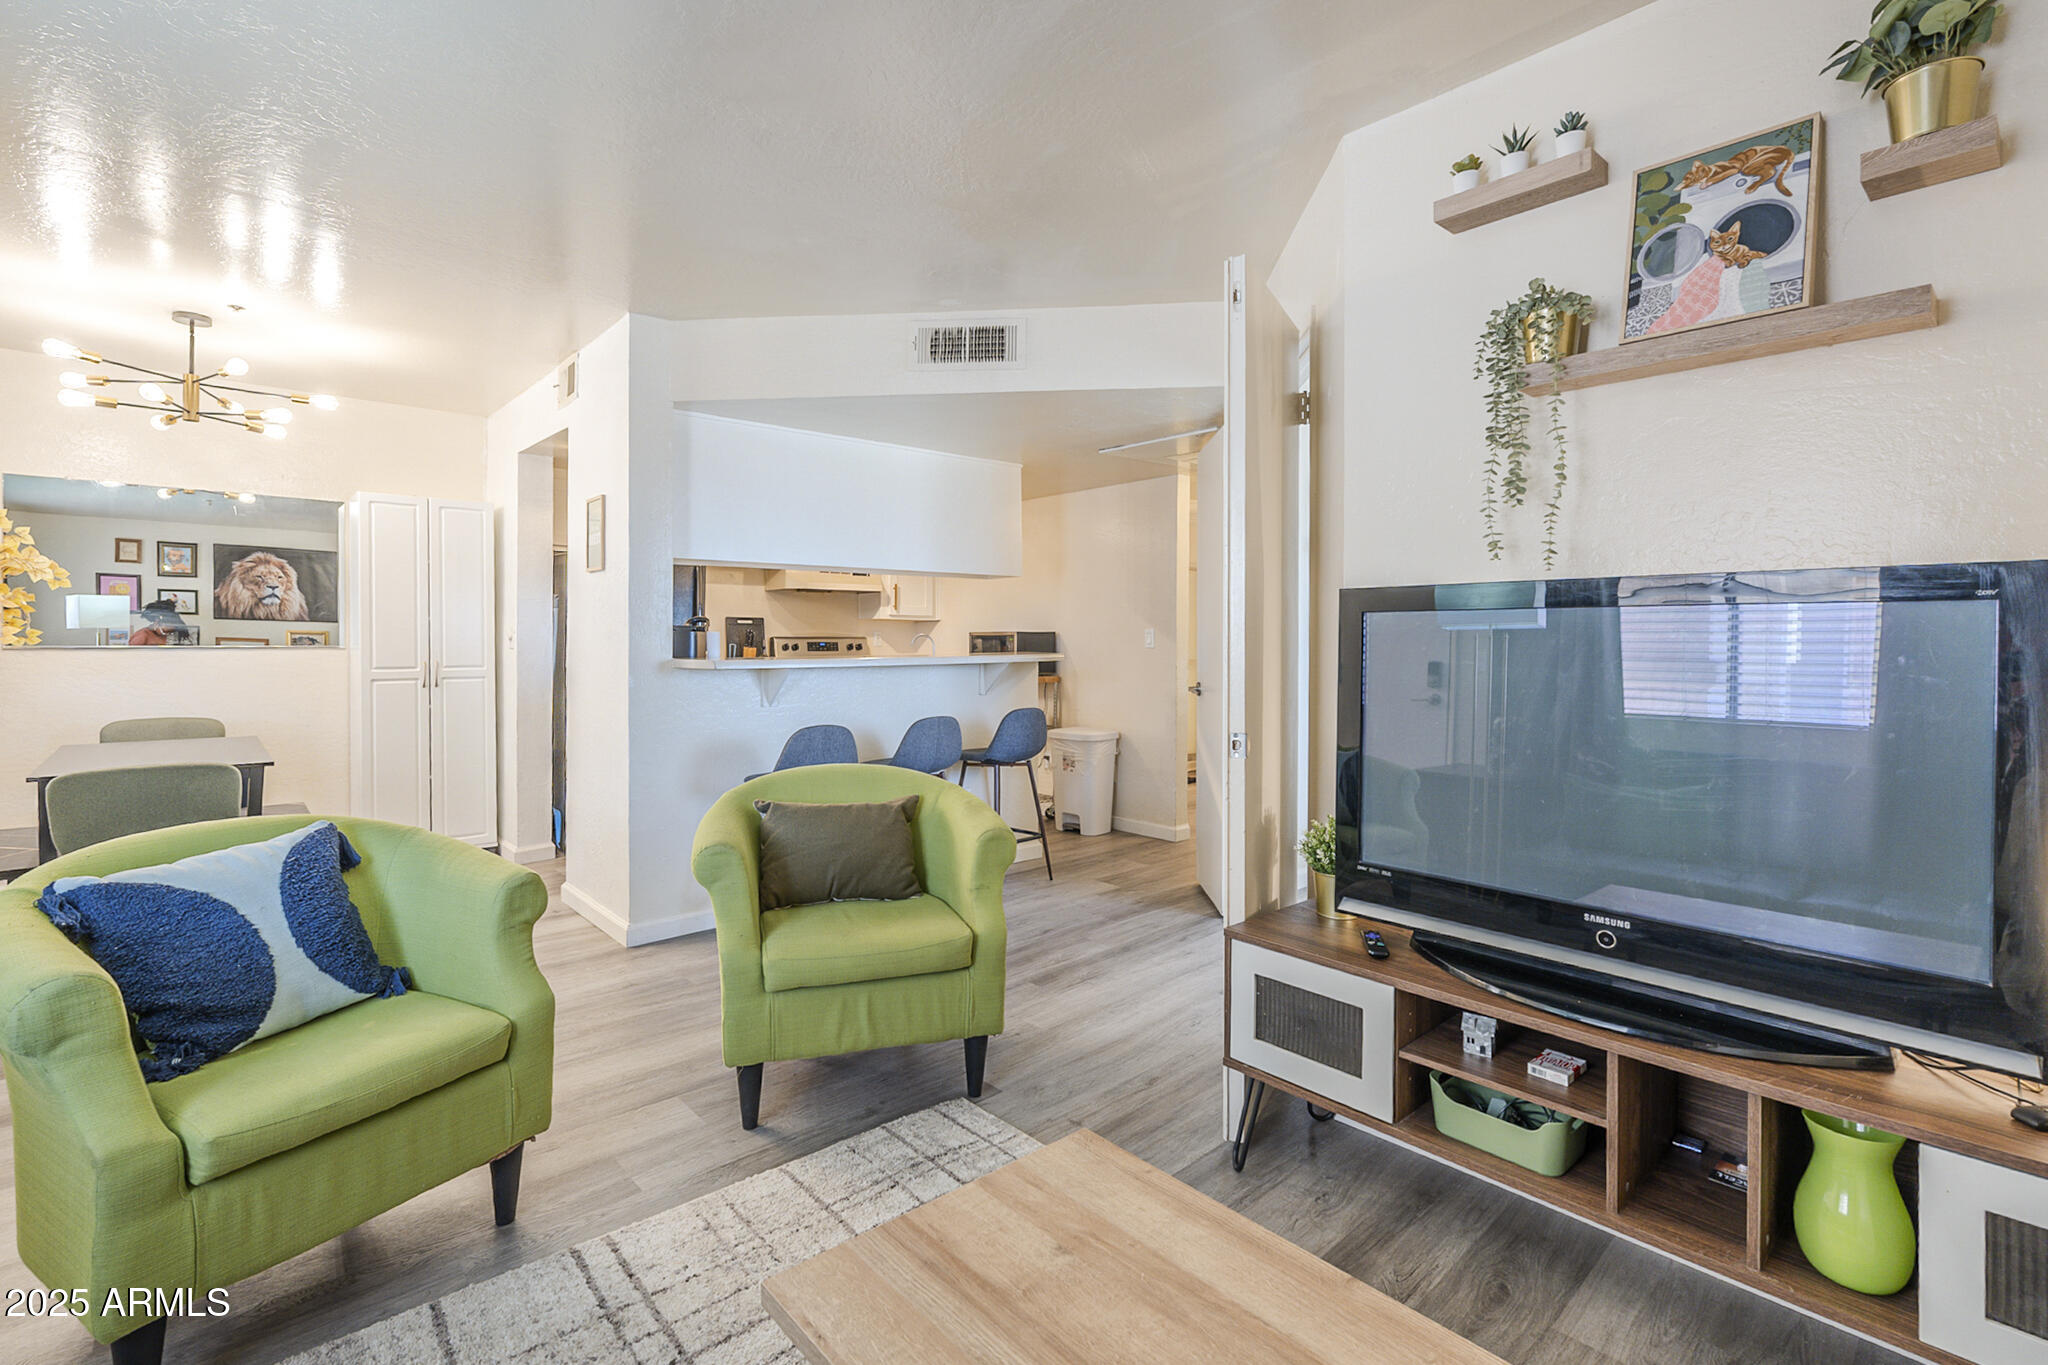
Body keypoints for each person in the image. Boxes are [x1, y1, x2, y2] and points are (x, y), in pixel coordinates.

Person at [128, 598, 194, 646]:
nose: (169, 634)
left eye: (171, 632)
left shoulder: (173, 635)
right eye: (167, 630)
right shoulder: (142, 635)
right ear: (157, 621)